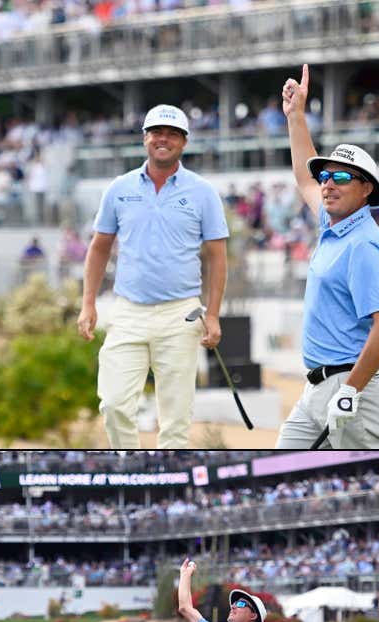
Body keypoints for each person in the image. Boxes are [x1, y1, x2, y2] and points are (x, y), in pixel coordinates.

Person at [78, 104, 229, 449]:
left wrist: (214, 314)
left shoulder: (202, 192)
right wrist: (88, 304)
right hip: (128, 311)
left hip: (182, 312)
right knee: (114, 404)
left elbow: (217, 257)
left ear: (184, 142)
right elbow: (99, 248)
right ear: (145, 139)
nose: (164, 139)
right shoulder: (119, 188)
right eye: (157, 132)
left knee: (175, 420)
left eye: (173, 133)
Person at [277, 64, 379, 448]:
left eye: (342, 178)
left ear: (366, 190)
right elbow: (303, 176)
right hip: (317, 387)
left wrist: (350, 389)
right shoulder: (332, 224)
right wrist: (296, 116)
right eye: (327, 177)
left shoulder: (362, 243)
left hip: (352, 389)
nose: (329, 184)